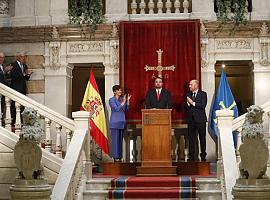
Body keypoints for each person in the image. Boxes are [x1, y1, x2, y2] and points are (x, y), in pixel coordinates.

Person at [184, 79, 207, 162]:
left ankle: (203, 156)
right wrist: (187, 104)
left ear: (196, 85)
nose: (189, 86)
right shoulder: (188, 94)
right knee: (191, 139)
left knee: (202, 138)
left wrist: (192, 103)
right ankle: (191, 156)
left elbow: (202, 105)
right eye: (189, 84)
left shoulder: (203, 94)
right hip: (191, 120)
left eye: (191, 84)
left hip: (200, 120)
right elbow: (185, 108)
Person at [109, 85, 131, 162]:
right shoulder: (111, 100)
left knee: (120, 142)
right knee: (115, 141)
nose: (120, 92)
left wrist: (127, 101)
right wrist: (124, 101)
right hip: (114, 123)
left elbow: (126, 109)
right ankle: (115, 158)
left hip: (121, 123)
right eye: (118, 90)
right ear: (114, 91)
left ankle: (119, 157)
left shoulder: (122, 99)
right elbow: (117, 109)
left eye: (121, 90)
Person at [10, 52, 33, 126]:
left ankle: (21, 122)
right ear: (19, 57)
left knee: (22, 107)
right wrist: (24, 74)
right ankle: (14, 123)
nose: (24, 58)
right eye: (22, 57)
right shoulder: (13, 65)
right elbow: (14, 76)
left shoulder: (24, 65)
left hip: (22, 89)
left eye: (24, 57)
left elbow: (25, 78)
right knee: (15, 106)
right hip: (16, 88)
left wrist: (28, 74)